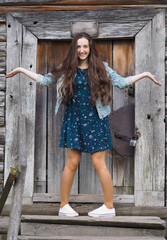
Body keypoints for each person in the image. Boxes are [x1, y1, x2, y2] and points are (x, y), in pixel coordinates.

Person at [6, 32, 161, 218]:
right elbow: (45, 80)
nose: (82, 50)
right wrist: (22, 70)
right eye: (78, 46)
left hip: (96, 119)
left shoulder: (101, 67)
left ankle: (109, 207)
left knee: (99, 163)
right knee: (71, 164)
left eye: (85, 46)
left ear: (90, 48)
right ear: (75, 48)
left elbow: (121, 83)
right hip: (74, 120)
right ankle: (63, 206)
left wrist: (144, 74)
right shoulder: (67, 68)